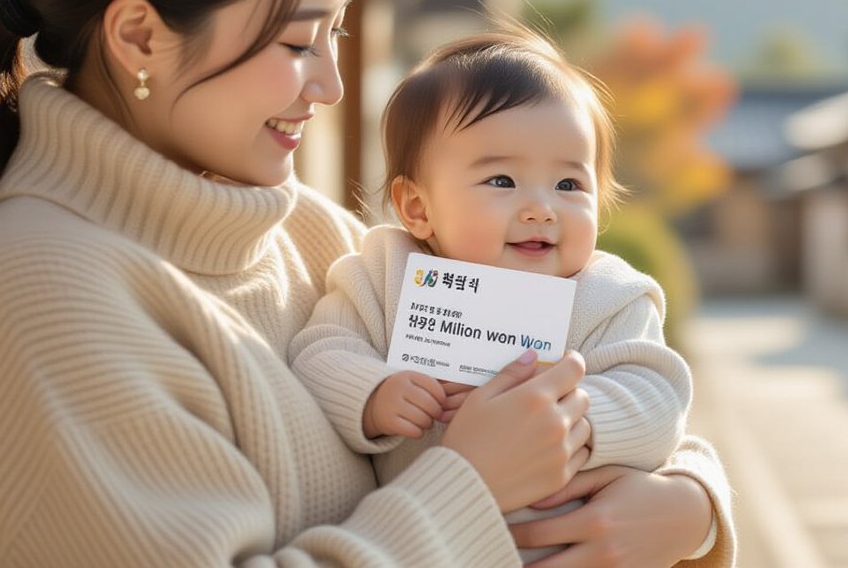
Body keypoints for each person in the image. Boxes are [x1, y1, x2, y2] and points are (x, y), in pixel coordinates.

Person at [0, 0, 736, 566]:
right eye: (296, 42)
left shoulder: (305, 232)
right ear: (140, 37)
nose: (332, 86)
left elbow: (625, 379)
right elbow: (482, 458)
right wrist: (471, 486)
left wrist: (691, 506)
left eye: (335, 34)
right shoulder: (40, 293)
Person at [288, 29, 697, 563]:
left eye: (569, 185)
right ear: (417, 207)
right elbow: (320, 353)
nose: (541, 209)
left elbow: (660, 398)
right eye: (502, 181)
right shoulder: (384, 275)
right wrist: (373, 393)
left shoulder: (608, 295)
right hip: (434, 549)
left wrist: (577, 415)